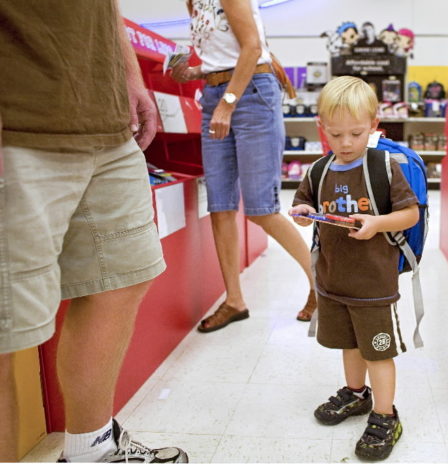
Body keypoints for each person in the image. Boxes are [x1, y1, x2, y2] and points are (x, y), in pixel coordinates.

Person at [0, 1, 188, 462]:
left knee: (124, 276)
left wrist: (128, 74)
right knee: (5, 333)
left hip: (106, 124)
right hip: (19, 120)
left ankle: (91, 449)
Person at [289, 76, 419, 461]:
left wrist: (378, 222)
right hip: (334, 282)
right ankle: (357, 394)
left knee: (378, 352)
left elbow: (410, 213)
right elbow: (304, 206)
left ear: (374, 125)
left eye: (356, 133)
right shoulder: (318, 170)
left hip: (374, 287)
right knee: (349, 345)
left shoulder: (384, 167)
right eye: (336, 134)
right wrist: (302, 213)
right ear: (322, 129)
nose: (346, 144)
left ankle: (385, 413)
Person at [170, 0, 317, 327]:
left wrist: (228, 104)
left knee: (261, 208)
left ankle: (321, 284)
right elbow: (223, 55)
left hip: (251, 95)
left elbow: (251, 47)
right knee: (220, 206)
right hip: (214, 94)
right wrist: (194, 71)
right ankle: (234, 300)